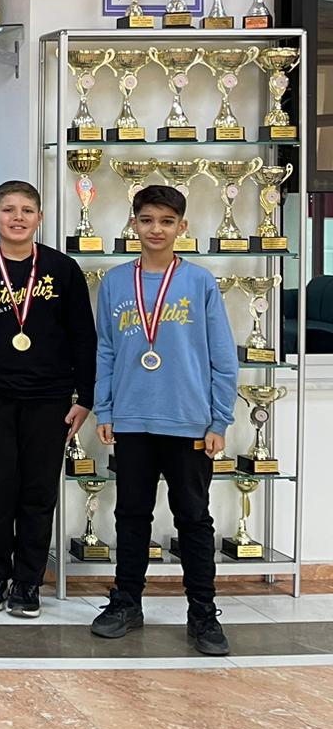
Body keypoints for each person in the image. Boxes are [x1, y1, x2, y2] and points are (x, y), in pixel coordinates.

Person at [90, 184, 236, 658]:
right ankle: (126, 603)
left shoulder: (200, 282)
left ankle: (203, 613)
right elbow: (106, 350)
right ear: (133, 223)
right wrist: (105, 408)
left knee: (193, 518)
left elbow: (222, 358)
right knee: (131, 515)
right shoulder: (115, 282)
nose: (156, 229)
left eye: (167, 221)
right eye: (148, 219)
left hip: (188, 421)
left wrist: (219, 420)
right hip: (132, 420)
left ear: (182, 227)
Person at [0, 180, 95, 618]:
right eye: (8, 209)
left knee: (38, 491)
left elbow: (83, 336)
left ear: (40, 218)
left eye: (27, 210)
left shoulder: (62, 269)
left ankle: (28, 581)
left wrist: (86, 397)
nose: (18, 217)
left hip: (49, 399)